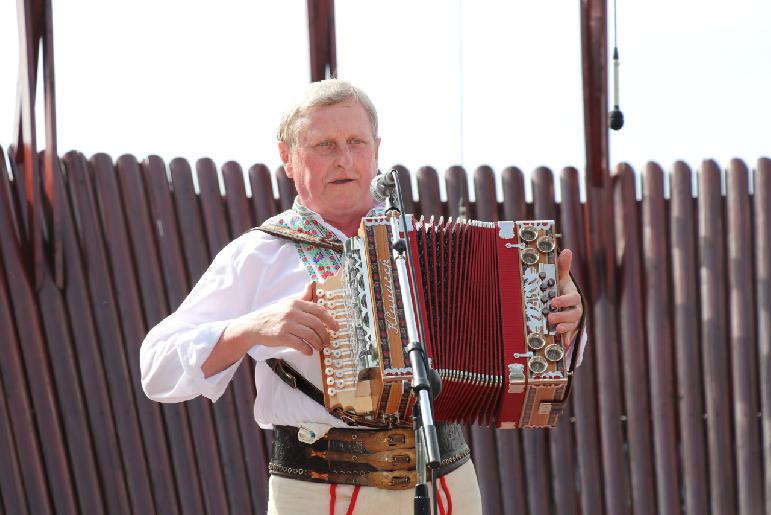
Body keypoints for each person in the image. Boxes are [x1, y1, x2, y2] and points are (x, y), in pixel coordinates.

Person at [140, 79, 586, 515]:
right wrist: (249, 329)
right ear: (288, 159)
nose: (345, 159)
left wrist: (562, 322)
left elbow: (525, 348)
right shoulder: (259, 253)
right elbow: (156, 366)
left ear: (377, 151)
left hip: (446, 484)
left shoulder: (421, 242)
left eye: (356, 142)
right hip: (319, 491)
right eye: (325, 145)